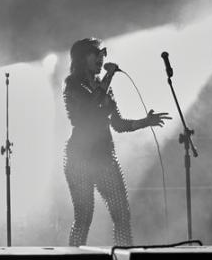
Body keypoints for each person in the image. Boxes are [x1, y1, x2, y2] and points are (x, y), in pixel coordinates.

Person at [62, 38, 171, 246]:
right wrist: (109, 75)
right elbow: (91, 106)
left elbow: (119, 124)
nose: (101, 58)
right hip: (79, 158)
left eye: (103, 53)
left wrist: (145, 121)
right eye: (96, 53)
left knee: (122, 214)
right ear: (82, 57)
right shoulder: (73, 86)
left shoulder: (105, 88)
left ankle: (124, 258)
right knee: (84, 217)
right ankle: (73, 259)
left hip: (104, 157)